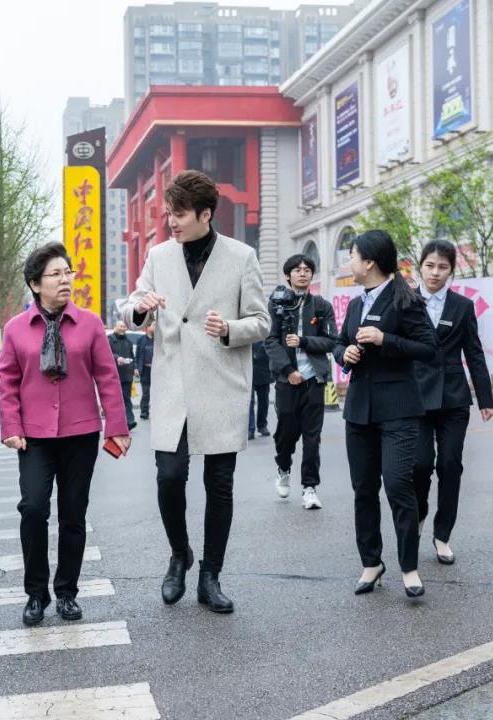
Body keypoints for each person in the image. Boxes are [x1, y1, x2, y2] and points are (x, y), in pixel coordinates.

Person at [121, 170, 270, 614]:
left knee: (219, 483)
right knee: (169, 476)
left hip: (221, 383)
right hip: (172, 385)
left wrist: (230, 329)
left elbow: (261, 321)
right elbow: (131, 308)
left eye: (180, 214)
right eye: (169, 213)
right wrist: (140, 308)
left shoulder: (241, 256)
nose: (172, 221)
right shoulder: (159, 255)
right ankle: (179, 554)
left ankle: (211, 575)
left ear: (205, 215)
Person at [0, 242, 131, 627]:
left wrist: (117, 426)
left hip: (80, 432)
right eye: (55, 274)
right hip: (34, 437)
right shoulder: (15, 329)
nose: (64, 280)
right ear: (35, 284)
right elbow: (7, 382)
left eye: (67, 272)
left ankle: (67, 592)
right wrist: (11, 427)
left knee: (73, 514)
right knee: (33, 509)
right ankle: (36, 593)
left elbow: (107, 377)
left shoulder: (89, 324)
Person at [332, 230, 436, 599]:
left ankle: (409, 567)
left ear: (370, 262)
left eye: (352, 256)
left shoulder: (405, 299)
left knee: (397, 485)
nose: (350, 263)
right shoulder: (355, 304)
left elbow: (429, 348)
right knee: (363, 489)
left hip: (399, 410)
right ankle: (371, 562)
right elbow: (340, 342)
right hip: (359, 410)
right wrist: (344, 354)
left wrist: (384, 340)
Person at [412, 239, 493, 565]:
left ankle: (442, 535)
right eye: (430, 265)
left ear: (451, 271)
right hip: (416, 398)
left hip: (454, 399)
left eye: (442, 267)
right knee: (419, 465)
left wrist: (485, 398)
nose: (435, 272)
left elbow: (474, 353)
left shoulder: (462, 306)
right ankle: (419, 514)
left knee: (450, 465)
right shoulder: (404, 302)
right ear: (420, 266)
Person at [264, 253, 337, 509]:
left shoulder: (322, 306)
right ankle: (283, 468)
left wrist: (304, 341)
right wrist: (287, 371)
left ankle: (309, 487)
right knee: (286, 433)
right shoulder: (277, 304)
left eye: (307, 269)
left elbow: (332, 341)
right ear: (288, 275)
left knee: (312, 437)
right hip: (287, 382)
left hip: (314, 380)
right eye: (297, 270)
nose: (303, 273)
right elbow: (270, 341)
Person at [108, 321, 137, 430]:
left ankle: (130, 421)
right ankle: (116, 423)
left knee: (127, 399)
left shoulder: (128, 341)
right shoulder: (108, 340)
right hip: (113, 376)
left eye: (124, 326)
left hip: (127, 376)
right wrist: (117, 358)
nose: (123, 328)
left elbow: (132, 356)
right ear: (115, 327)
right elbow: (106, 354)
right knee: (114, 400)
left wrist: (135, 368)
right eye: (120, 326)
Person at [248, 340, 271, 440]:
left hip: (264, 372)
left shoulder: (265, 335)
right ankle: (250, 429)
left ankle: (262, 425)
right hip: (249, 372)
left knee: (264, 401)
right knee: (250, 401)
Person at [135, 322, 155, 420]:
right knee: (146, 392)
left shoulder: (159, 340)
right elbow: (137, 355)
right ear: (147, 327)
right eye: (153, 325)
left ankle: (158, 413)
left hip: (156, 370)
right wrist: (136, 368)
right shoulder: (141, 340)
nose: (155, 327)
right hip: (145, 370)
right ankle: (144, 411)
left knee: (158, 393)